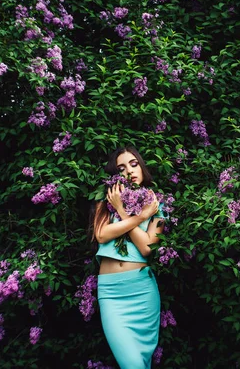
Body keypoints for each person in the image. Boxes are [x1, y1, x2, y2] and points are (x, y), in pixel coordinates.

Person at [89, 145, 167, 368]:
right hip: (111, 294)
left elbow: (147, 248)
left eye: (134, 164)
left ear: (142, 167)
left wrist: (124, 213)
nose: (129, 171)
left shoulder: (157, 207)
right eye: (121, 168)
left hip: (142, 291)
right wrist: (134, 215)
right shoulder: (106, 200)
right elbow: (102, 235)